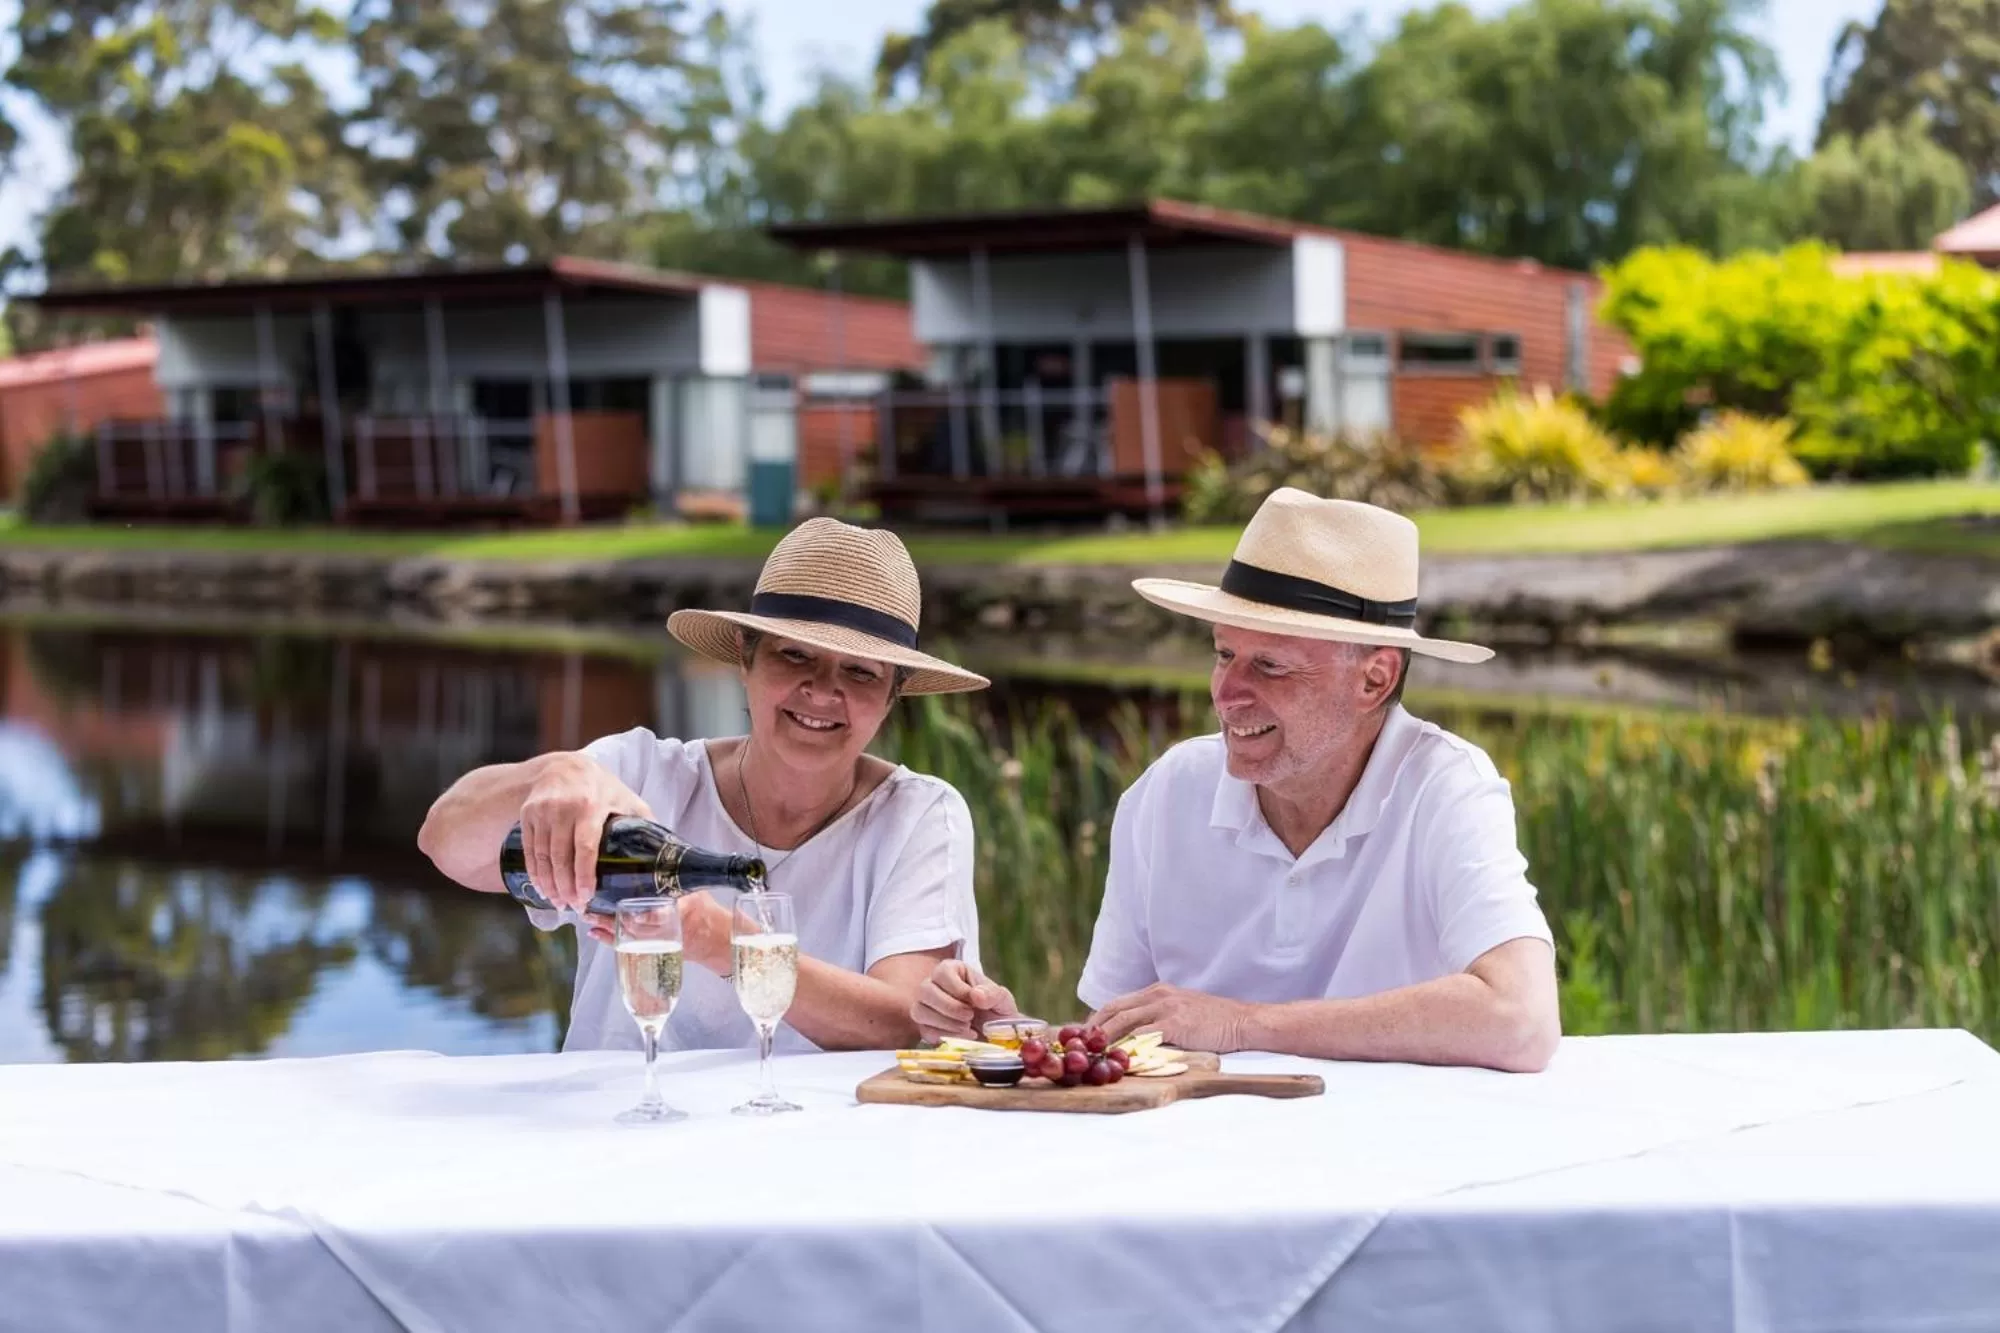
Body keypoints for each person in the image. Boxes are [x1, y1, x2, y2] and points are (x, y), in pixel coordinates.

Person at [912, 488, 1561, 1073]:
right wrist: (1004, 1032)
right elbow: (1121, 1044)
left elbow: (1523, 1020)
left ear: (1375, 679)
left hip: (1386, 1166)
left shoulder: (1444, 785)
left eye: (1270, 665)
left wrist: (1242, 1024)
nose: (1227, 692)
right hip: (1199, 1170)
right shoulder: (1168, 792)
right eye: (1224, 653)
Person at [420, 517, 991, 1055]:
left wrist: (724, 942)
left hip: (809, 1144)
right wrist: (548, 775)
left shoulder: (920, 813)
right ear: (745, 661)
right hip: (611, 1134)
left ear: (893, 695)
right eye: (795, 655)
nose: (822, 690)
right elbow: (445, 843)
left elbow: (899, 1021)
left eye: (860, 672)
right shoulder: (640, 774)